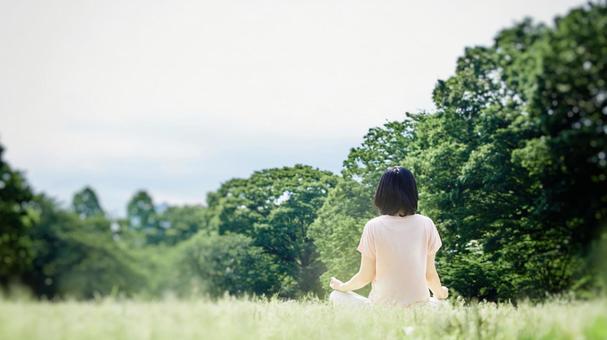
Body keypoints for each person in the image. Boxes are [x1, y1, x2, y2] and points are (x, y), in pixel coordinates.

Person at [328, 166, 448, 308]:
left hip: (381, 309)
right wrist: (441, 294)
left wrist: (342, 286)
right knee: (442, 305)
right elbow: (429, 274)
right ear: (412, 192)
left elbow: (365, 276)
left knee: (335, 296)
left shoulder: (373, 226)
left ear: (382, 194)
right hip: (419, 309)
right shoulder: (426, 223)